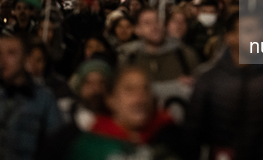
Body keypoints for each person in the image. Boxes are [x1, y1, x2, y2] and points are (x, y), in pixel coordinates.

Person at [186, 11, 263, 159]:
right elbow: (193, 131)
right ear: (230, 37)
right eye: (248, 31)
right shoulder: (210, 79)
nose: (256, 37)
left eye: (259, 30)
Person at [40, 65, 183, 160]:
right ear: (111, 100)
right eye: (129, 90)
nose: (140, 98)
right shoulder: (79, 144)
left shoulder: (172, 140)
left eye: (145, 89)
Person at [0, 35, 61, 160]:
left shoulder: (43, 98)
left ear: (25, 58)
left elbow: (54, 143)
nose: (2, 60)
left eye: (11, 53)